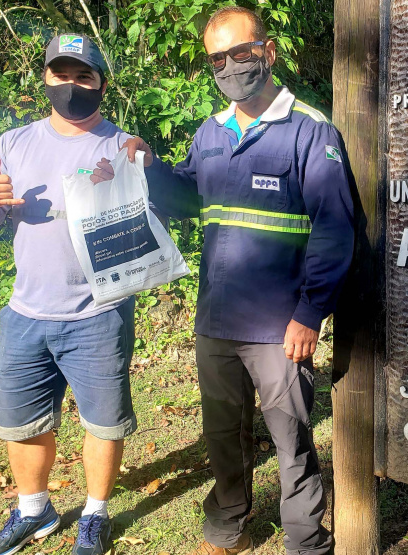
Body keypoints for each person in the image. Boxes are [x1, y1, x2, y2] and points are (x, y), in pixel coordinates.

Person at [93, 7, 355, 555]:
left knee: (292, 444)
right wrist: (149, 167)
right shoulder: (210, 131)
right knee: (222, 438)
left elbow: (335, 228)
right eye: (219, 58)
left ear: (268, 52)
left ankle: (306, 543)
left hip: (280, 327)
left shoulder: (309, 129)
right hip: (215, 320)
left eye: (241, 52)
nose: (232, 66)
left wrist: (311, 314)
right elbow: (190, 197)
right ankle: (226, 528)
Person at [0, 34, 174, 555]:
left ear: (101, 83)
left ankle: (95, 514)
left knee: (102, 419)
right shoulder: (13, 144)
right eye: (62, 74)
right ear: (46, 79)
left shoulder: (121, 146)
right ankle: (35, 509)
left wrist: (150, 166)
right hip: (26, 312)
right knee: (20, 421)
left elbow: (158, 211)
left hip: (100, 313)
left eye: (84, 76)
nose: (72, 85)